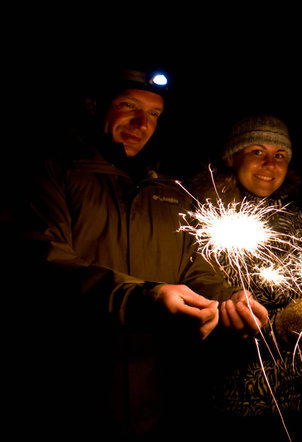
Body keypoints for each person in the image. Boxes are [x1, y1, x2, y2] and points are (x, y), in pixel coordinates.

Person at [14, 66, 267, 439]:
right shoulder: (52, 173)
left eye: (154, 114)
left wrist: (228, 296)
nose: (141, 123)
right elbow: (44, 265)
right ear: (93, 105)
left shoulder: (167, 189)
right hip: (72, 392)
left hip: (156, 395)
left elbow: (194, 263)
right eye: (129, 105)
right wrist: (143, 296)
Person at [188, 114, 302, 441]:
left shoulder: (293, 213)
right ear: (231, 157)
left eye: (280, 155)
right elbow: (208, 304)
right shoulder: (208, 218)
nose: (270, 163)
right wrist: (279, 327)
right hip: (239, 400)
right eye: (257, 151)